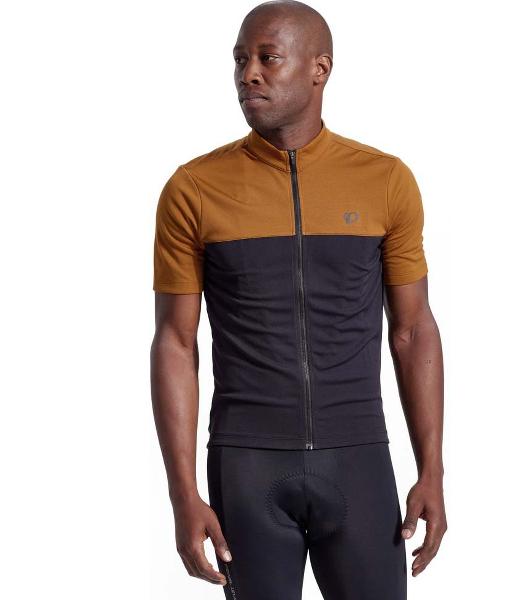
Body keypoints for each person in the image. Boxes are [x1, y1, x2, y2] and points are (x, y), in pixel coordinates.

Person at [150, 1, 446, 598]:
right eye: (240, 60)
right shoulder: (193, 188)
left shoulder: (385, 180)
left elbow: (413, 330)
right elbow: (176, 343)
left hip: (358, 459)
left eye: (268, 58)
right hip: (246, 463)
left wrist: (432, 470)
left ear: (319, 68)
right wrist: (183, 494)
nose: (248, 74)